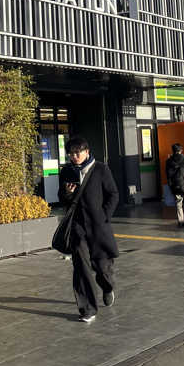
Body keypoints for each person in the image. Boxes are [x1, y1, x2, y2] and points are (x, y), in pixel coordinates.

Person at [58, 135, 119, 324]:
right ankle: (87, 309)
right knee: (81, 268)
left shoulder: (100, 169)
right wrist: (67, 193)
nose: (74, 156)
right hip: (77, 228)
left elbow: (113, 194)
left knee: (102, 268)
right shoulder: (67, 171)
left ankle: (107, 287)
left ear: (87, 152)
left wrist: (104, 216)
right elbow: (62, 198)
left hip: (98, 227)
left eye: (78, 152)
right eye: (71, 153)